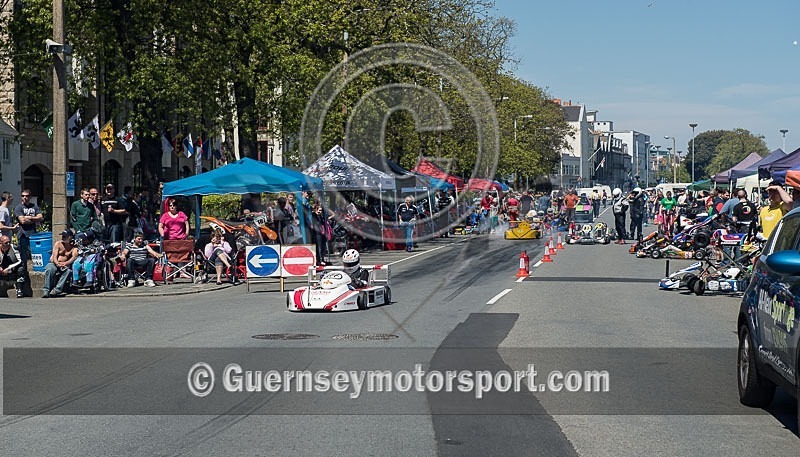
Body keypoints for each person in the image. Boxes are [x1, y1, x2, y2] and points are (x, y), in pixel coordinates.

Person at [42, 229, 78, 298]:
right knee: (50, 269)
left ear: (70, 237)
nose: (63, 238)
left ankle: (57, 290)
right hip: (54, 263)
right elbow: (54, 256)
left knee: (68, 271)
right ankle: (46, 290)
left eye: (65, 236)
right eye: (62, 236)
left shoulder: (73, 247)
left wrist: (65, 263)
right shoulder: (58, 244)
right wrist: (57, 263)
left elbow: (74, 257)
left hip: (64, 264)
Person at [15, 189, 43, 267]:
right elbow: (22, 221)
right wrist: (35, 219)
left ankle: (35, 267)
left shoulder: (34, 206)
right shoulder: (19, 207)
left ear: (30, 197)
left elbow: (40, 217)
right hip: (23, 234)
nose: (25, 197)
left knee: (34, 252)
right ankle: (24, 271)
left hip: (33, 234)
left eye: (27, 196)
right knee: (23, 254)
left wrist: (30, 217)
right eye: (23, 196)